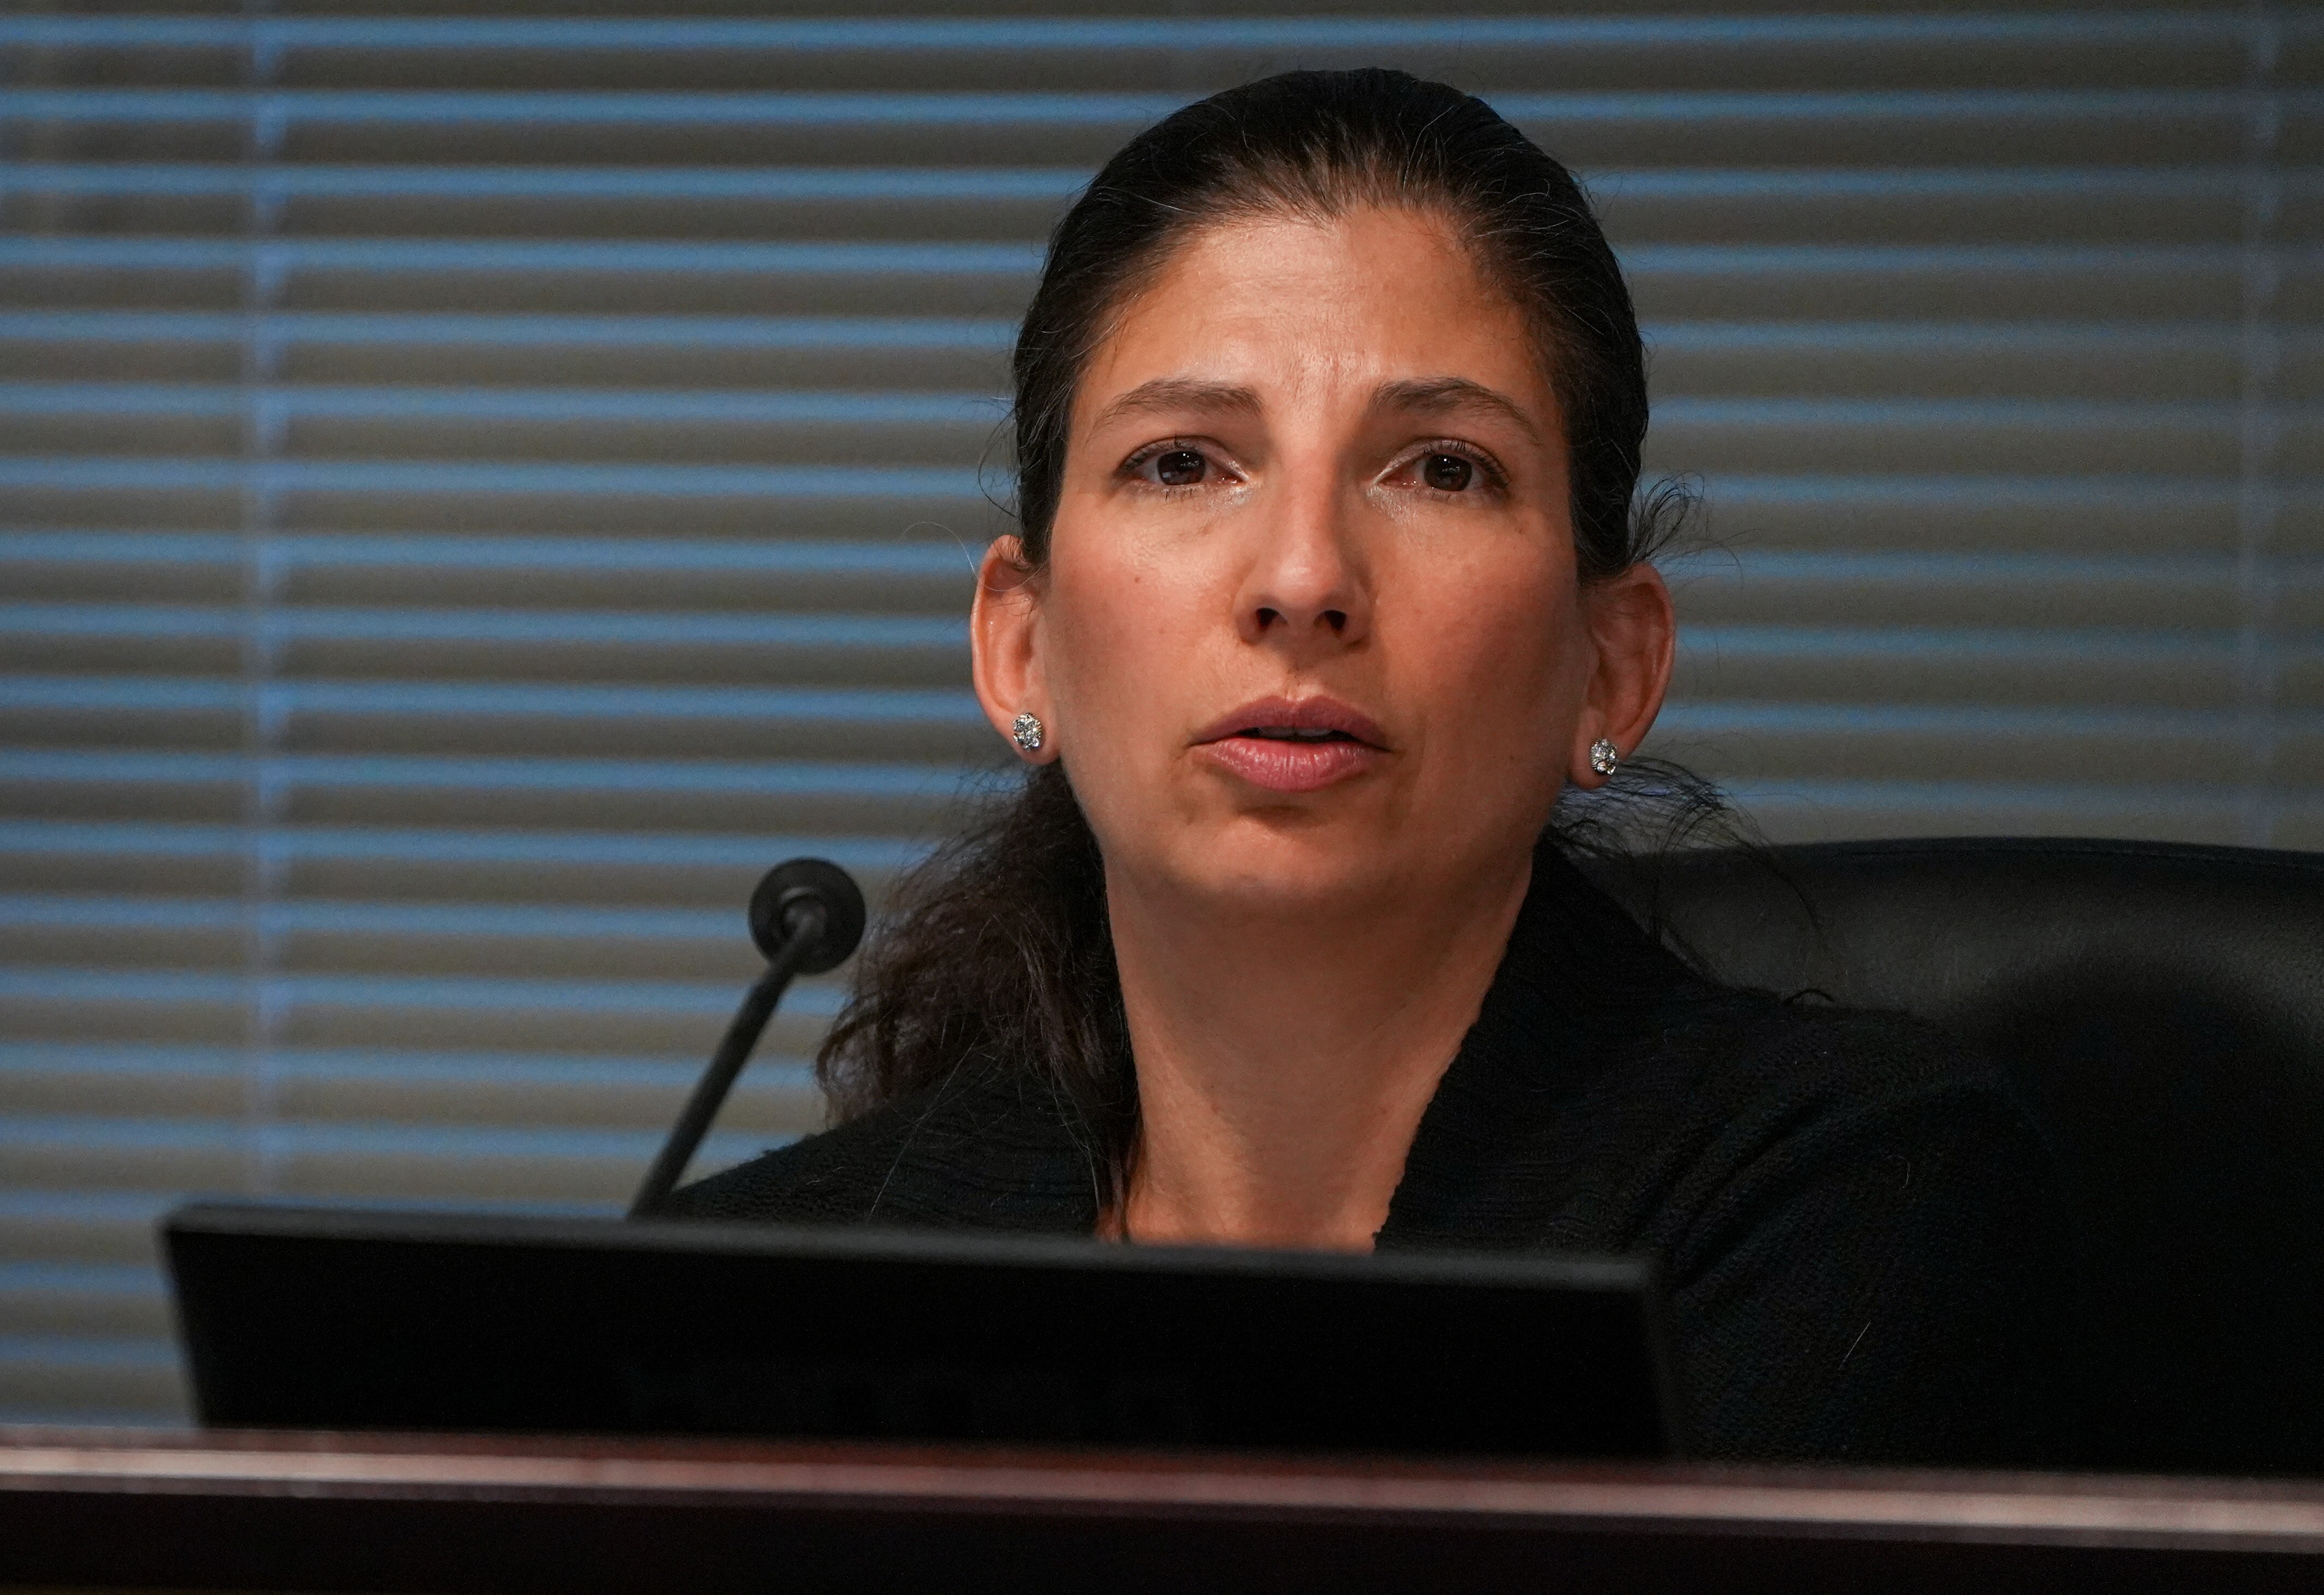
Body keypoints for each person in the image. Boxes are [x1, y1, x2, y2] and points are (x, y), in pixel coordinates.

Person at [668, 68, 2070, 1466]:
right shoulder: (744, 1286)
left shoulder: (1842, 1213)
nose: (1302, 581)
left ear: (1614, 663)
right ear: (1021, 650)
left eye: (1442, 469)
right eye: (1183, 463)